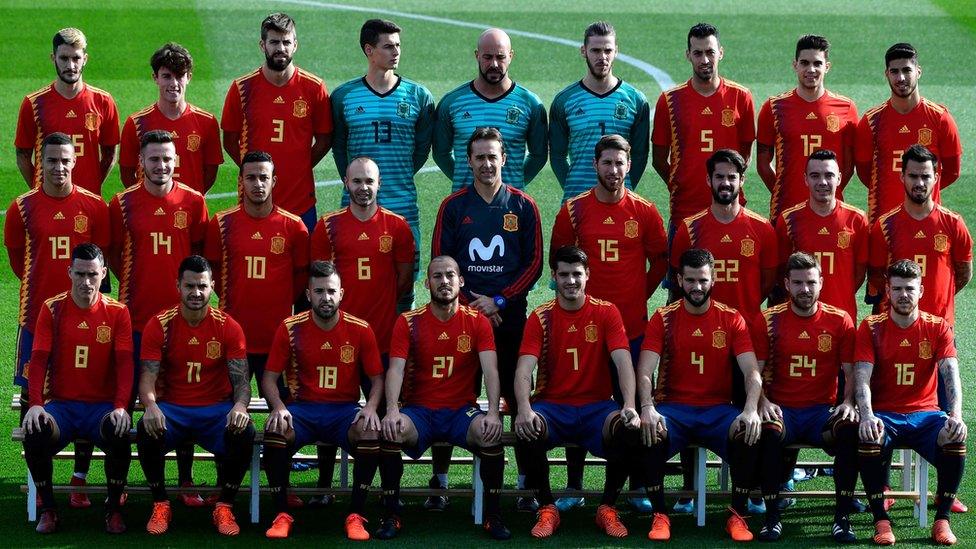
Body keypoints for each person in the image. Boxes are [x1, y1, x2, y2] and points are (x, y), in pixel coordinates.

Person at [549, 134, 666, 511]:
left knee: (627, 404)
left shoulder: (645, 211)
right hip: (581, 328)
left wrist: (639, 296)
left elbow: (661, 263)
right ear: (595, 165)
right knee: (578, 399)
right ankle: (574, 484)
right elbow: (558, 260)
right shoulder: (573, 211)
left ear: (630, 166)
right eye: (606, 163)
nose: (613, 170)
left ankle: (632, 488)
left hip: (631, 328)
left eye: (620, 163)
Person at [431, 127, 542, 509]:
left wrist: (500, 299)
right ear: (469, 160)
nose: (486, 163)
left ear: (504, 158)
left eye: (492, 156)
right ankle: (440, 481)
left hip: (509, 320)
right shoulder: (454, 206)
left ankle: (526, 484)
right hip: (461, 320)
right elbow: (440, 263)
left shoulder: (524, 206)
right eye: (479, 157)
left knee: (516, 395)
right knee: (453, 394)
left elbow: (534, 264)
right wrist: (470, 304)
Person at [5, 132, 110, 508]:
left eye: (65, 160)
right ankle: (40, 484)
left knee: (84, 392)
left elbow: (102, 261)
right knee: (31, 399)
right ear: (40, 162)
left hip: (82, 317)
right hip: (35, 319)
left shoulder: (95, 207)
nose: (58, 167)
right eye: (51, 160)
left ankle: (79, 478)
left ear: (74, 161)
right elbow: (19, 259)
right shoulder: (21, 208)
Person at [514, 245, 643, 539]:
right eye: (564, 275)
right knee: (524, 428)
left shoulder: (606, 312)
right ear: (554, 277)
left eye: (576, 274)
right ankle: (547, 507)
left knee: (628, 429)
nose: (571, 281)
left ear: (588, 276)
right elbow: (524, 369)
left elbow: (623, 362)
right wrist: (524, 408)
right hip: (552, 407)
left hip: (597, 408)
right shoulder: (541, 317)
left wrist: (630, 405)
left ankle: (607, 508)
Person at [636, 248, 764, 542]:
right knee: (648, 432)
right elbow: (645, 371)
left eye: (703, 280)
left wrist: (750, 409)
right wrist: (647, 406)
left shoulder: (731, 319)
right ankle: (660, 515)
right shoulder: (663, 318)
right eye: (690, 280)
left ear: (713, 279)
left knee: (749, 432)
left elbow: (751, 373)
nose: (697, 287)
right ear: (679, 280)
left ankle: (737, 515)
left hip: (718, 410)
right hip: (674, 409)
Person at [378, 256, 510, 540]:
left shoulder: (477, 322)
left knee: (490, 435)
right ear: (427, 284)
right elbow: (396, 369)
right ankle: (391, 514)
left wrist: (493, 414)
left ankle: (493, 516)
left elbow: (491, 370)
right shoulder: (408, 322)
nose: (444, 281)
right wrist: (391, 410)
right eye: (437, 276)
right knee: (391, 431)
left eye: (450, 275)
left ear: (461, 281)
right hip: (419, 412)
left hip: (460, 412)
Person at [109, 130, 209, 503]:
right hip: (134, 321)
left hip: (183, 322)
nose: (161, 165)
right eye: (153, 158)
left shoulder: (195, 203)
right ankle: (118, 483)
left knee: (181, 397)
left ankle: (184, 480)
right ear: (141, 163)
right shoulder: (121, 204)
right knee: (126, 398)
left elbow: (199, 259)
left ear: (176, 161)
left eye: (167, 158)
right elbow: (113, 256)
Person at [311, 156, 414, 503]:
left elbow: (403, 280)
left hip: (381, 339)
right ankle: (324, 488)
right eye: (356, 181)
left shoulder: (397, 227)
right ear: (344, 182)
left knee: (385, 418)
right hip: (335, 339)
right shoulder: (327, 227)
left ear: (379, 183)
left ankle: (389, 492)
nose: (363, 188)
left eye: (369, 181)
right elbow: (319, 281)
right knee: (328, 411)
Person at [261, 261, 385, 540]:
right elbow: (268, 378)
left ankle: (355, 515)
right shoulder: (290, 327)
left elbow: (377, 379)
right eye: (319, 291)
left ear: (342, 293)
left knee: (369, 430)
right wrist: (279, 407)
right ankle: (281, 514)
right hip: (302, 410)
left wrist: (371, 407)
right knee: (275, 429)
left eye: (331, 291)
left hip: (343, 411)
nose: (325, 298)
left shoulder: (361, 329)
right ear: (308, 295)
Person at [135, 255, 254, 536]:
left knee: (245, 431)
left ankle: (224, 505)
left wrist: (239, 405)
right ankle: (160, 503)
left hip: (215, 411)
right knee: (144, 428)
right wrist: (150, 405)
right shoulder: (160, 325)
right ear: (178, 286)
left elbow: (242, 383)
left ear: (213, 286)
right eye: (190, 286)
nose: (196, 293)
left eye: (202, 286)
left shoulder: (228, 326)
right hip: (173, 411)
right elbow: (147, 379)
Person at [22, 243, 133, 534]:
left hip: (100, 409)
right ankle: (48, 509)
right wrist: (35, 404)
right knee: (34, 432)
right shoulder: (53, 308)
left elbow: (124, 365)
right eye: (80, 274)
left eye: (93, 275)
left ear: (104, 274)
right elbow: (38, 360)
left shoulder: (118, 312)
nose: (86, 282)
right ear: (69, 272)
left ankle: (114, 510)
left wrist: (121, 406)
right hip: (63, 408)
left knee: (119, 432)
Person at [854, 259, 967, 545]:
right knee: (869, 438)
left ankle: (942, 520)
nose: (904, 295)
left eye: (910, 289)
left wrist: (955, 414)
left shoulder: (938, 327)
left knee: (955, 437)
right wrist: (866, 415)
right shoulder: (871, 327)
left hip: (926, 415)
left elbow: (950, 373)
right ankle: (881, 520)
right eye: (898, 289)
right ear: (888, 292)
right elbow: (861, 377)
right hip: (885, 415)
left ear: (921, 291)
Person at [753, 252, 859, 542]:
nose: (805, 289)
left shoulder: (840, 321)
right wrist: (762, 401)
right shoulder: (768, 319)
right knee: (770, 432)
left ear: (822, 283)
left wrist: (848, 403)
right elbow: (755, 371)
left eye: (811, 282)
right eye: (798, 282)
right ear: (786, 283)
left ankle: (842, 516)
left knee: (849, 430)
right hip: (782, 411)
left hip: (820, 413)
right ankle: (772, 515)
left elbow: (850, 372)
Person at [330, 19, 434, 309]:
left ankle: (400, 352)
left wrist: (396, 174)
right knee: (351, 282)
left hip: (402, 207)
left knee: (404, 286)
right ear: (369, 50)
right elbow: (340, 147)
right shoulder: (343, 97)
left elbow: (421, 150)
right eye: (388, 46)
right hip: (355, 209)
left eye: (398, 45)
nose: (396, 52)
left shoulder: (419, 97)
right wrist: (353, 183)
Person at [205, 150, 309, 393]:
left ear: (274, 181)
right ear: (241, 181)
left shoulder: (294, 227)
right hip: (231, 336)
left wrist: (281, 301)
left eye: (264, 177)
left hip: (278, 338)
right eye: (251, 178)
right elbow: (212, 275)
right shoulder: (221, 224)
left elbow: (301, 278)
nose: (258, 184)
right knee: (227, 411)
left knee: (283, 415)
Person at [221, 12, 333, 229]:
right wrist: (251, 171)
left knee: (301, 263)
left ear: (295, 45)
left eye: (286, 42)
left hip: (300, 201)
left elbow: (324, 139)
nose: (280, 48)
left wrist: (300, 166)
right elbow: (230, 140)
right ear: (262, 45)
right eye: (274, 42)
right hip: (254, 202)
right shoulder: (242, 89)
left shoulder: (314, 88)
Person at [651, 22, 755, 232]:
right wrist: (680, 184)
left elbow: (745, 154)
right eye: (698, 53)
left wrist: (729, 184)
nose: (705, 60)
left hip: (730, 208)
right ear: (688, 55)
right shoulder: (669, 100)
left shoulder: (741, 97)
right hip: (685, 210)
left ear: (721, 53)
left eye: (710, 52)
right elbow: (659, 159)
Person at [855, 43, 962, 224]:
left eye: (907, 70)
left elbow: (952, 171)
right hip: (883, 224)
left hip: (927, 220)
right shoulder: (871, 122)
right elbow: (865, 173)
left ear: (918, 71)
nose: (901, 77)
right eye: (895, 71)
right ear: (887, 74)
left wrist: (921, 190)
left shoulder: (940, 118)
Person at [756, 35, 858, 221]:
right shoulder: (773, 108)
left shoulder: (846, 108)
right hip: (785, 211)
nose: (811, 69)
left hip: (831, 210)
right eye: (804, 63)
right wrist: (782, 191)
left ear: (827, 66)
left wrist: (826, 193)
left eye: (817, 63)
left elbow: (849, 166)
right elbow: (762, 164)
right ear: (795, 65)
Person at [868, 145, 972, 327]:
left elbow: (963, 273)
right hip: (897, 327)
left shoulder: (954, 224)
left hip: (941, 327)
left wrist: (939, 298)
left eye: (925, 176)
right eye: (913, 176)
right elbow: (876, 275)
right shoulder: (884, 226)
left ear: (936, 178)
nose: (920, 183)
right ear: (902, 177)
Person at [433, 28, 547, 192]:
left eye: (500, 57)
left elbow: (538, 156)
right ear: (477, 55)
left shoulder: (530, 104)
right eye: (487, 57)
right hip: (465, 207)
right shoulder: (452, 102)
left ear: (511, 56)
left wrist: (513, 184)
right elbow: (441, 154)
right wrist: (469, 181)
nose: (494, 64)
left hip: (510, 207)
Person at [549, 21, 649, 202]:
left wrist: (624, 185)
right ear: (583, 51)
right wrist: (573, 187)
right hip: (577, 200)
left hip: (620, 202)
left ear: (616, 51)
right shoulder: (564, 101)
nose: (602, 57)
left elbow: (641, 154)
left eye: (608, 51)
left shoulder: (636, 100)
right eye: (595, 50)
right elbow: (557, 155)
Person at [15, 27, 120, 193]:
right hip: (47, 201)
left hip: (88, 202)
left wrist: (90, 188)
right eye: (64, 58)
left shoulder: (103, 101)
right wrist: (41, 190)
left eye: (76, 58)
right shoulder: (33, 103)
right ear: (53, 58)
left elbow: (110, 155)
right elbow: (22, 156)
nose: (70, 65)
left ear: (85, 59)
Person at [776, 149, 868, 321]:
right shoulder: (788, 220)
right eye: (815, 175)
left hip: (843, 318)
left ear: (839, 178)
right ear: (805, 179)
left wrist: (840, 293)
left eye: (829, 175)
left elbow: (859, 274)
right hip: (801, 317)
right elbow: (782, 272)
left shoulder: (857, 219)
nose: (822, 182)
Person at [119, 43, 223, 194]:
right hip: (149, 211)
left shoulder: (207, 122)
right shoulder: (136, 123)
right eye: (167, 76)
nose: (174, 84)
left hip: (190, 210)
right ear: (155, 78)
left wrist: (190, 200)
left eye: (180, 76)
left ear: (189, 78)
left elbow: (211, 172)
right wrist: (146, 198)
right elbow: (127, 173)